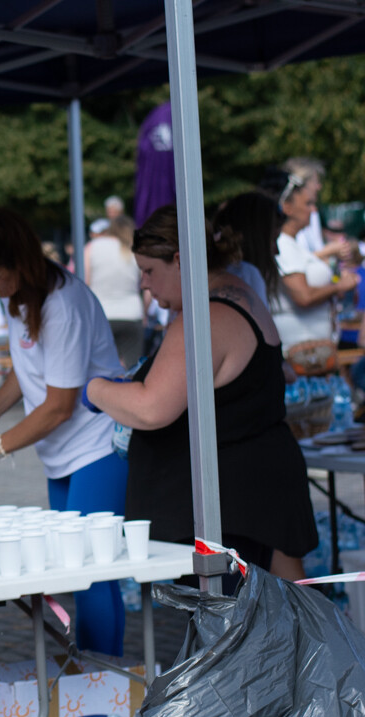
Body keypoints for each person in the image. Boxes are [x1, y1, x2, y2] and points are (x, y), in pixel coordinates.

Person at [85, 206, 317, 586]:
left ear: (180, 260)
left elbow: (151, 409)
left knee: (235, 627)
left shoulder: (206, 316)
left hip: (227, 508)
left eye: (149, 271)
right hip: (251, 492)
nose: (144, 283)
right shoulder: (238, 294)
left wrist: (96, 388)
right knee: (275, 613)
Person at [0, 206, 128, 657]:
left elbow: (57, 406)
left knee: (90, 573)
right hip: (63, 456)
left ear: (18, 262)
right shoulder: (20, 299)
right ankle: (91, 677)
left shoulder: (63, 305)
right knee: (76, 571)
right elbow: (28, 370)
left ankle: (102, 682)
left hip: (98, 448)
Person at [273, 171, 359, 353]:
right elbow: (303, 297)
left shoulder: (292, 245)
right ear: (287, 207)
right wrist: (339, 286)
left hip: (314, 356)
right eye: (308, 204)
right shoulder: (283, 244)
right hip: (299, 358)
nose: (313, 210)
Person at [85, 215, 142, 367]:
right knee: (132, 370)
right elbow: (146, 285)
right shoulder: (134, 249)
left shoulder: (94, 246)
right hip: (132, 314)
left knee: (102, 370)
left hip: (101, 314)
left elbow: (85, 282)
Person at [213, 191, 285, 305]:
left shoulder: (216, 273)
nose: (277, 251)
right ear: (256, 241)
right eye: (273, 240)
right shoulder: (246, 274)